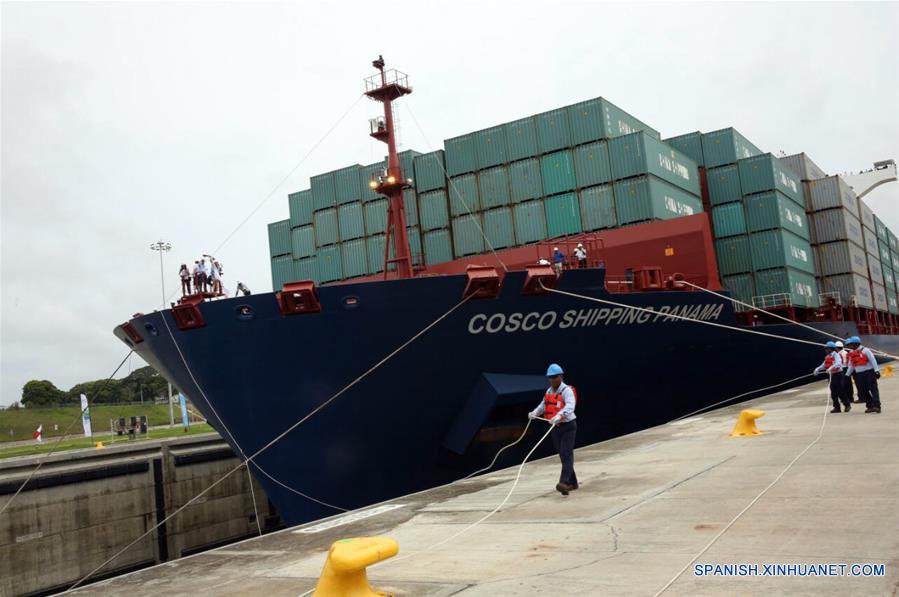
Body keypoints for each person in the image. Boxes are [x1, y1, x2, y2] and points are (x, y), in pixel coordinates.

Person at [528, 363, 578, 496]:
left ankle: (564, 482)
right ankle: (573, 482)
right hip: (555, 427)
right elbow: (543, 406)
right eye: (550, 377)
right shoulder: (549, 392)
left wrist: (559, 415)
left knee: (566, 453)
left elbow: (570, 406)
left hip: (568, 426)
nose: (552, 379)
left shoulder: (566, 390)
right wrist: (534, 413)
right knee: (563, 454)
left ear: (561, 376)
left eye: (554, 377)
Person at [845, 336, 881, 413]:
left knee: (873, 389)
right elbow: (851, 365)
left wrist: (877, 370)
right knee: (863, 391)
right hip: (859, 375)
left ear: (856, 344)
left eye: (851, 344)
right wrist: (847, 375)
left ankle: (877, 406)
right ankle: (870, 406)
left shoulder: (866, 351)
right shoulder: (852, 353)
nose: (850, 346)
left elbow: (873, 360)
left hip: (869, 372)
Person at [814, 341, 850, 413]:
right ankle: (837, 407)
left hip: (838, 375)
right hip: (831, 375)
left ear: (831, 349)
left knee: (840, 391)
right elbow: (824, 365)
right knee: (833, 392)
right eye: (825, 349)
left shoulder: (836, 355)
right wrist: (817, 369)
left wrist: (831, 368)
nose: (826, 350)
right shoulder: (827, 357)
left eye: (827, 349)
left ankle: (847, 405)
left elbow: (838, 363)